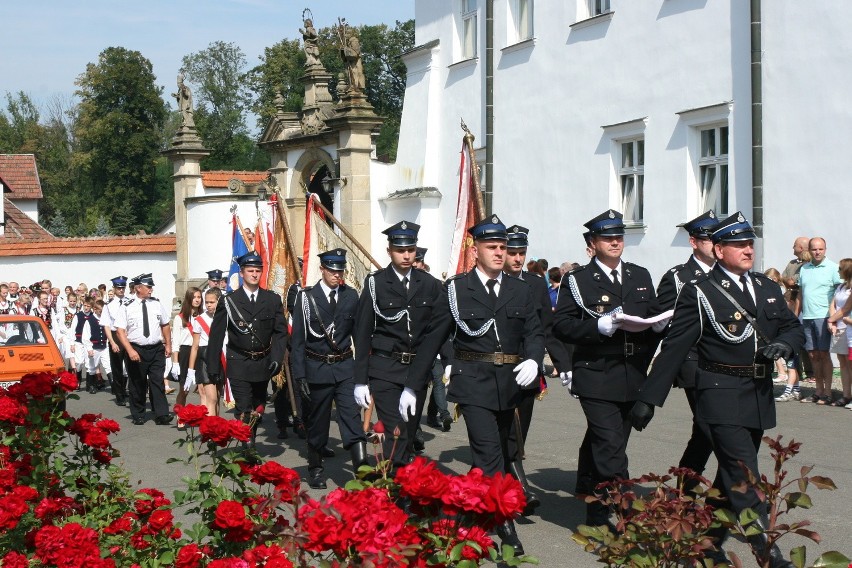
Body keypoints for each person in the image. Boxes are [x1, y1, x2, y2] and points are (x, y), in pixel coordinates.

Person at [629, 212, 803, 567]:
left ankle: (704, 544)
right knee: (744, 475)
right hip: (719, 393)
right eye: (738, 244)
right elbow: (676, 345)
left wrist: (784, 345)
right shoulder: (700, 291)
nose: (747, 249)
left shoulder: (767, 288)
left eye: (749, 243)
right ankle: (769, 554)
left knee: (728, 478)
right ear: (719, 249)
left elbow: (793, 328)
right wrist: (648, 399)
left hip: (757, 394)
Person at [407, 214, 544, 556]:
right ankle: (505, 526)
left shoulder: (520, 289)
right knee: (491, 454)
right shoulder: (456, 290)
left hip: (510, 384)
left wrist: (533, 358)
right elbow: (434, 337)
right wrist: (412, 385)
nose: (500, 253)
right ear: (475, 249)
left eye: (503, 247)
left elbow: (533, 331)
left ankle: (464, 514)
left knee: (492, 456)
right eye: (492, 247)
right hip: (473, 383)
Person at [552, 209, 661, 530]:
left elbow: (653, 316)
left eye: (619, 236)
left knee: (611, 445)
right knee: (611, 447)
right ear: (592, 243)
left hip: (633, 373)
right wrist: (597, 326)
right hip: (596, 373)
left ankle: (596, 510)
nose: (615, 242)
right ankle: (628, 511)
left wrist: (659, 325)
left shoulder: (640, 275)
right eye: (607, 237)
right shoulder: (578, 279)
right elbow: (562, 325)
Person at [353, 221, 444, 467]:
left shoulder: (430, 284)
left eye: (410, 250)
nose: (406, 255)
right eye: (400, 250)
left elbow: (439, 329)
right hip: (385, 368)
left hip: (417, 370)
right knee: (396, 430)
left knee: (409, 431)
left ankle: (398, 485)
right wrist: (360, 379)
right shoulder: (376, 283)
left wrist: (449, 363)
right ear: (389, 251)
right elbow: (362, 333)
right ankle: (394, 486)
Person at [503, 224, 571, 515]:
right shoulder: (492, 280)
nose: (518, 258)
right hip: (497, 366)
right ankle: (521, 489)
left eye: (522, 253)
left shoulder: (534, 283)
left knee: (520, 429)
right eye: (513, 253)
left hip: (529, 366)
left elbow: (546, 327)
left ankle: (502, 482)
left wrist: (562, 363)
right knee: (507, 430)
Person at [648, 210, 718, 490]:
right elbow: (659, 321)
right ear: (693, 242)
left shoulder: (727, 275)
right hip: (693, 359)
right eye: (708, 239)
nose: (714, 243)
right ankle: (702, 487)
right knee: (708, 424)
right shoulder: (678, 278)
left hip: (724, 361)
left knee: (709, 427)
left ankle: (686, 485)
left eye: (717, 238)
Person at [291, 249, 367, 489]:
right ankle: (315, 469)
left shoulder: (350, 296)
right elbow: (298, 342)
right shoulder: (306, 298)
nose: (337, 275)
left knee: (352, 419)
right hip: (317, 368)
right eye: (332, 270)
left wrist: (362, 373)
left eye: (340, 270)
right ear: (322, 269)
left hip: (345, 367)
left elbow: (359, 336)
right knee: (318, 423)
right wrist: (300, 375)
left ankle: (362, 471)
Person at [206, 253, 288, 451]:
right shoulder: (230, 300)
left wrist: (277, 358)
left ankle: (248, 436)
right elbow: (216, 335)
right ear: (241, 273)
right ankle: (248, 445)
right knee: (244, 407)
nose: (254, 274)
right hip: (239, 361)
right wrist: (213, 366)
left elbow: (280, 332)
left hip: (262, 362)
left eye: (258, 270)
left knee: (258, 406)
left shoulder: (272, 299)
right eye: (250, 271)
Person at [114, 274, 174, 426]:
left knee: (157, 381)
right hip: (136, 349)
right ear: (138, 288)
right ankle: (138, 413)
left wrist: (168, 344)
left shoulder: (156, 304)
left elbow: (165, 325)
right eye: (148, 287)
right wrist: (129, 350)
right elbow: (120, 331)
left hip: (156, 349)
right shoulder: (127, 306)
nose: (151, 289)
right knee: (137, 383)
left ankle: (161, 414)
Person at [798, 237, 842, 404]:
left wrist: (834, 317)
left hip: (824, 316)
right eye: (814, 249)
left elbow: (840, 294)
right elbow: (801, 294)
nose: (817, 252)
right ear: (809, 250)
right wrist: (797, 315)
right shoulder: (804, 269)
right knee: (812, 354)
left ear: (825, 249)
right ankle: (818, 391)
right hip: (807, 316)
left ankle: (828, 392)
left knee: (824, 354)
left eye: (820, 249)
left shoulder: (832, 268)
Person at [185, 287, 222, 418]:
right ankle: (211, 430)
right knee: (210, 398)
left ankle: (216, 427)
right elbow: (195, 346)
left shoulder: (224, 317)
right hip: (205, 357)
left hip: (220, 357)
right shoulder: (199, 320)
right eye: (206, 302)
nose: (208, 305)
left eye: (211, 302)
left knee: (217, 397)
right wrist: (190, 370)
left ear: (219, 301)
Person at [171, 288, 202, 420]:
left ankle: (202, 416)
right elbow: (176, 342)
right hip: (185, 352)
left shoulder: (203, 317)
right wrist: (175, 362)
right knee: (185, 388)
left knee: (202, 387)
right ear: (189, 299)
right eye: (194, 297)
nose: (197, 299)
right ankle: (180, 414)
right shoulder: (180, 318)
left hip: (200, 352)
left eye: (199, 297)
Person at [100, 276, 130, 407]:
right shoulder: (109, 305)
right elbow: (106, 325)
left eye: (123, 287)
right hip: (115, 336)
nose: (121, 290)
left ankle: (128, 391)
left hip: (128, 335)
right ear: (114, 288)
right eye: (119, 288)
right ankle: (120, 395)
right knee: (117, 368)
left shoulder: (130, 302)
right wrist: (112, 342)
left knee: (130, 367)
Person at [827, 259, 852, 407]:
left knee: (850, 364)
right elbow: (833, 304)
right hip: (839, 327)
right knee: (843, 363)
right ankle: (846, 394)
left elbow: (845, 309)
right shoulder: (841, 287)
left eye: (840, 269)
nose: (838, 271)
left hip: (848, 328)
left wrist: (830, 320)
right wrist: (833, 322)